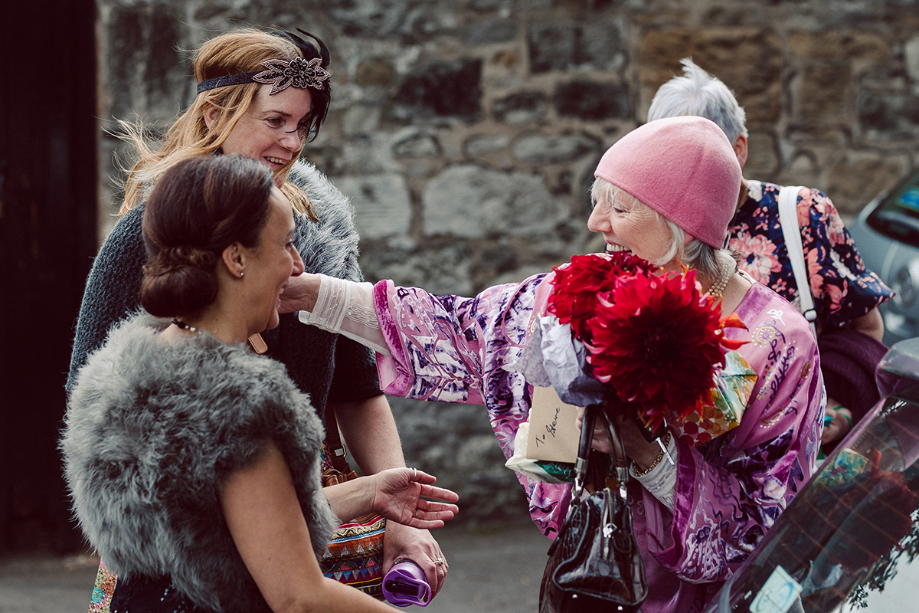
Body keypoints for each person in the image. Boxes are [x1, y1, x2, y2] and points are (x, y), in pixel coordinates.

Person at [281, 117, 826, 611]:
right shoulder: (587, 290)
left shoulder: (778, 343)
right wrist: (314, 295)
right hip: (589, 577)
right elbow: (463, 331)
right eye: (597, 202)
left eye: (618, 206)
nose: (595, 223)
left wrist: (648, 451)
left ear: (679, 222)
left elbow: (770, 518)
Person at [65, 27, 448, 596]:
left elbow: (357, 386)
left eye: (301, 127)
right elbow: (94, 412)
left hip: (317, 507)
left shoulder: (319, 234)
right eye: (275, 121)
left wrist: (399, 515)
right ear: (217, 111)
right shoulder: (146, 234)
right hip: (185, 531)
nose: (291, 143)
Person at [647, 58, 893, 448]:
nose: (686, 177)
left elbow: (865, 331)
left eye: (703, 159)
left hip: (790, 453)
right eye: (670, 161)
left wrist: (839, 412)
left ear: (739, 148)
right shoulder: (650, 230)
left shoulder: (801, 215)